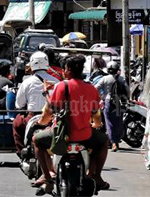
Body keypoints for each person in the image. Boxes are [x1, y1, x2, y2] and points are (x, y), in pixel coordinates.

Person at [33, 55, 109, 195]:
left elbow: (50, 110)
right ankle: (96, 175)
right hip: (85, 135)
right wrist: (96, 124)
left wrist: (40, 121)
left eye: (64, 68)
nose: (63, 71)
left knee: (36, 140)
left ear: (68, 70)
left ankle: (47, 177)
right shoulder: (91, 89)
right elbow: (95, 113)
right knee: (103, 142)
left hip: (62, 135)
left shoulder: (62, 86)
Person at [13, 52, 58, 155]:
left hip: (33, 116)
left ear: (32, 65)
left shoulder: (27, 82)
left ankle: (22, 153)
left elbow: (19, 104)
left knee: (17, 123)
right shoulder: (56, 81)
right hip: (52, 117)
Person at [95, 61, 130, 152]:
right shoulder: (121, 79)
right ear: (117, 69)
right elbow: (127, 90)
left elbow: (95, 88)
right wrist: (126, 99)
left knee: (109, 123)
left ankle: (113, 142)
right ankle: (117, 140)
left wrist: (101, 97)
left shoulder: (105, 79)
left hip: (108, 102)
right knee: (118, 122)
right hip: (119, 103)